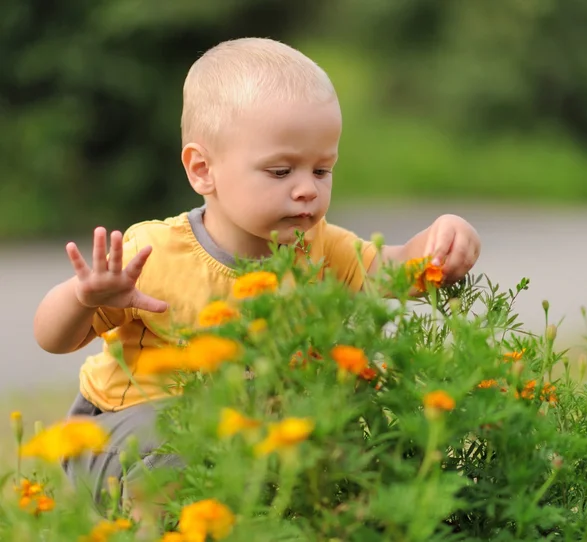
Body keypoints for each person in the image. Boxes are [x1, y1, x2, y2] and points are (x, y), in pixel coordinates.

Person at [33, 37, 481, 506]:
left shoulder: (320, 246)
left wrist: (440, 242)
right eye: (281, 171)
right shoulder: (153, 252)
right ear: (203, 169)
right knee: (175, 448)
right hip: (122, 435)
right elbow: (52, 338)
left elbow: (397, 272)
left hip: (244, 441)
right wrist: (85, 297)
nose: (307, 189)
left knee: (339, 447)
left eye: (322, 170)